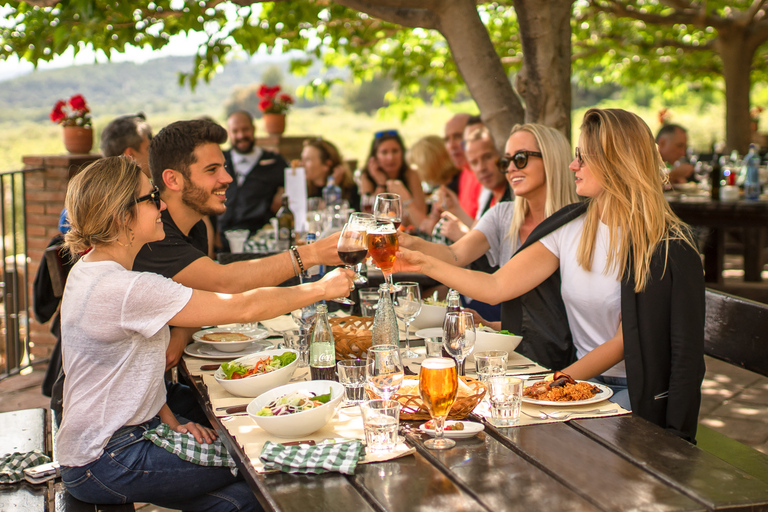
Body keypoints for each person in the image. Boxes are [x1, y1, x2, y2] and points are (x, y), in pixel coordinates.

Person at [57, 156, 353, 509]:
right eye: (151, 198)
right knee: (262, 464)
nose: (162, 204)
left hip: (99, 447)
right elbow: (240, 307)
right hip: (108, 460)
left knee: (246, 499)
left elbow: (121, 374)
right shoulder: (126, 288)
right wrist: (321, 288)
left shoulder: (91, 269)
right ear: (123, 216)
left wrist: (169, 419)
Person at [398, 108, 706, 443]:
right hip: (583, 386)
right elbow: (497, 286)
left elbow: (625, 342)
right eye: (576, 156)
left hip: (634, 394)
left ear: (617, 162)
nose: (574, 166)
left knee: (535, 441)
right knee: (492, 428)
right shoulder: (571, 226)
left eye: (584, 158)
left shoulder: (665, 244)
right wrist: (423, 262)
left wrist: (555, 383)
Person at [133, 119, 343, 370]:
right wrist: (313, 254)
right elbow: (224, 284)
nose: (227, 178)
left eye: (224, 167)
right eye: (212, 170)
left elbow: (204, 297)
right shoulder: (153, 235)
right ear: (173, 180)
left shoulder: (196, 225)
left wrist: (181, 332)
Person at [399, 123, 579, 369]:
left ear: (551, 159)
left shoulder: (574, 223)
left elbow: (499, 288)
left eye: (521, 158)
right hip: (523, 353)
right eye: (506, 162)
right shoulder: (503, 214)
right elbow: (455, 254)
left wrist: (420, 261)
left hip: (569, 361)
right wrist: (408, 242)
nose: (511, 168)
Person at [218, 110, 287, 249]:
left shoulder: (274, 162)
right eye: (235, 131)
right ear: (228, 133)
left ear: (254, 129)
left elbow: (294, 190)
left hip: (259, 241)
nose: (241, 135)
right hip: (221, 240)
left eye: (245, 130)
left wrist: (284, 194)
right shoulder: (218, 161)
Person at [437, 125, 512, 242]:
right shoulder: (487, 193)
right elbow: (477, 231)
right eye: (474, 162)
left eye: (487, 157)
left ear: (502, 156)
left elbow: (502, 252)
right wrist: (456, 209)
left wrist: (462, 236)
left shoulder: (514, 196)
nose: (481, 168)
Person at [358, 129, 427, 225]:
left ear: (402, 153)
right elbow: (370, 219)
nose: (390, 157)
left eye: (395, 151)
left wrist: (405, 196)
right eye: (384, 153)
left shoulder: (411, 174)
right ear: (375, 156)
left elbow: (421, 218)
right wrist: (381, 184)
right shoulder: (367, 176)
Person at [404, 134, 461, 233]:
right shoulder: (443, 186)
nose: (416, 172)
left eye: (417, 166)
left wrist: (406, 201)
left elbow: (430, 229)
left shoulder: (453, 189)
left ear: (429, 164)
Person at [301, 138, 360, 210]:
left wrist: (332, 189)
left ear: (326, 165)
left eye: (308, 160)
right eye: (302, 159)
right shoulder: (303, 189)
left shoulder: (349, 190)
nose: (302, 164)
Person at [443, 113, 483, 219]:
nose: (451, 146)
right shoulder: (464, 172)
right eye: (447, 139)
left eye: (458, 136)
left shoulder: (485, 174)